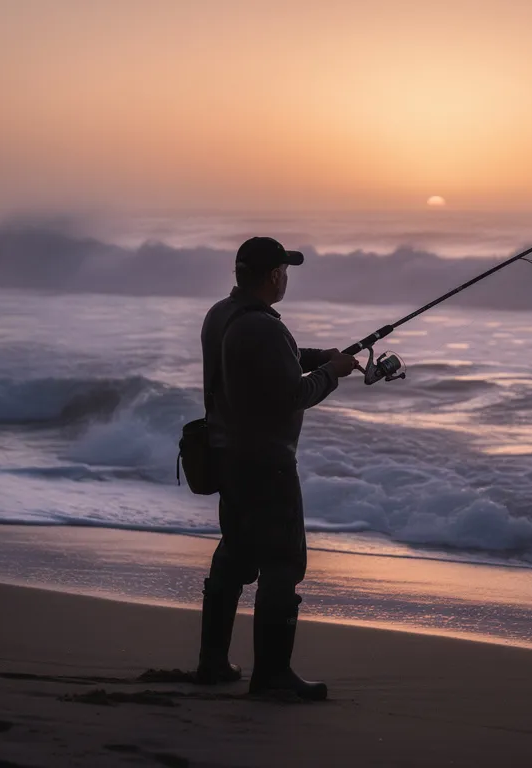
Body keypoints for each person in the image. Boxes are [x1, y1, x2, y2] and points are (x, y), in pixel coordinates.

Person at [195, 236, 360, 701]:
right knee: (283, 563)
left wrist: (318, 356)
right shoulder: (264, 329)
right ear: (272, 276)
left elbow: (259, 365)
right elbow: (290, 395)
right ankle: (272, 676)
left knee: (235, 555)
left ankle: (212, 662)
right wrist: (332, 375)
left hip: (228, 456)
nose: (286, 278)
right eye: (284, 271)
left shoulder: (222, 315)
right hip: (267, 464)